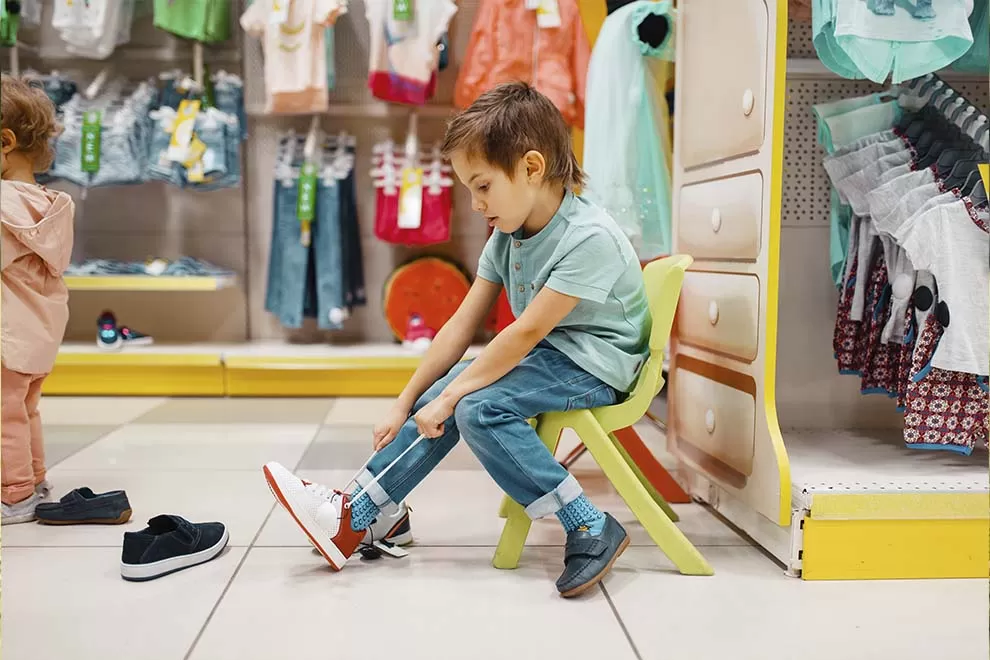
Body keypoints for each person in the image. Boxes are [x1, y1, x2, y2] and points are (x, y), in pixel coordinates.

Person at [264, 81, 651, 597]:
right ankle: (366, 514)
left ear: (532, 168)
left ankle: (588, 524)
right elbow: (460, 325)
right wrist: (405, 402)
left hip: (598, 364)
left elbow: (528, 330)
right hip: (557, 353)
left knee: (473, 406)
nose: (474, 204)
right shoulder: (509, 235)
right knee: (449, 392)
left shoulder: (589, 238)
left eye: (483, 186)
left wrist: (450, 396)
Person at [1, 74, 75, 524]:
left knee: (3, 417)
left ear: (5, 141)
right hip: (39, 336)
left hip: (6, 336)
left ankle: (12, 495)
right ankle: (35, 478)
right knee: (24, 410)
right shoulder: (51, 205)